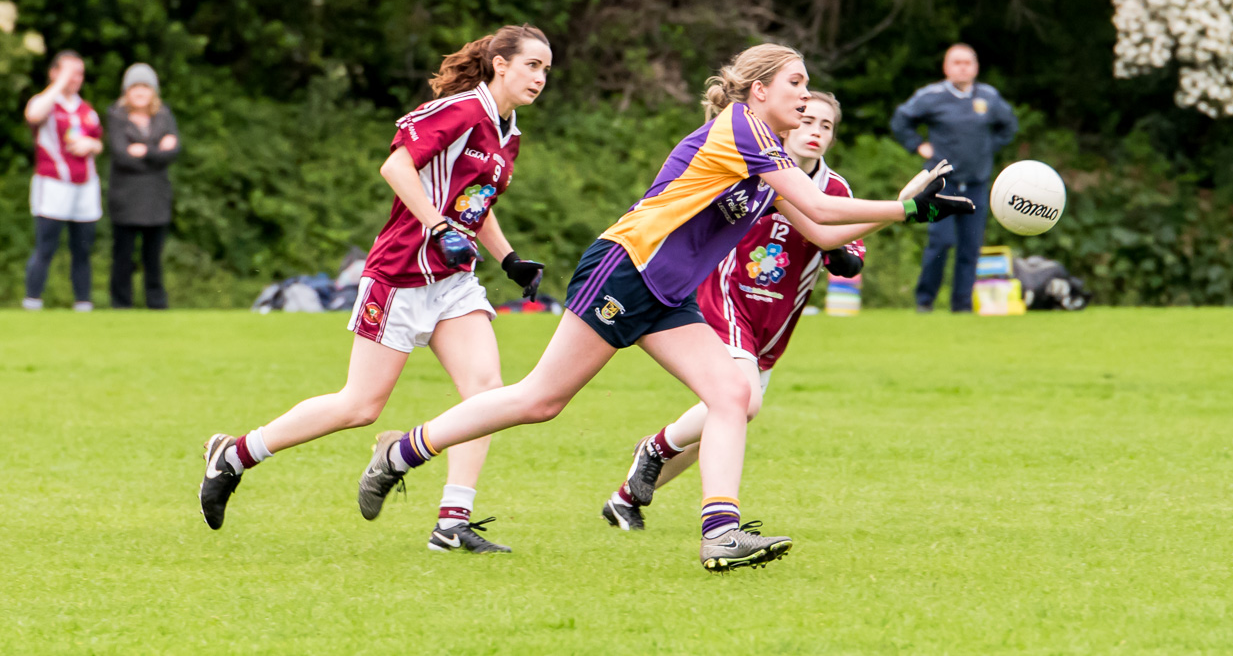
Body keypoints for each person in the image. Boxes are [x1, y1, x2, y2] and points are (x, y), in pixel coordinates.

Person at [353, 44, 975, 572]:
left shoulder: (771, 153)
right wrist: (905, 208)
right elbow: (824, 208)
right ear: (758, 91)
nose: (807, 98)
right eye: (796, 84)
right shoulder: (743, 129)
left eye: (808, 88)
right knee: (540, 400)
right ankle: (403, 450)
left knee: (732, 394)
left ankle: (721, 533)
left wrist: (907, 215)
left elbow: (820, 230)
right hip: (626, 268)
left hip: (668, 294)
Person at [200, 25, 552, 554]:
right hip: (401, 275)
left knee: (488, 396)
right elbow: (395, 165)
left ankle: (452, 523)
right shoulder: (460, 111)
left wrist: (509, 258)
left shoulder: (509, 133)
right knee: (360, 406)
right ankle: (235, 455)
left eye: (546, 70)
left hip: (454, 282)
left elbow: (476, 204)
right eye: (532, 65)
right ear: (500, 64)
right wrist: (436, 227)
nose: (540, 78)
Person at [599, 92, 951, 531]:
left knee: (724, 417)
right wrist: (902, 209)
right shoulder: (757, 164)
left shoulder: (836, 188)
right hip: (724, 301)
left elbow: (838, 247)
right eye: (808, 121)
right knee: (742, 402)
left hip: (774, 323)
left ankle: (625, 498)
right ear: (787, 124)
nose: (815, 131)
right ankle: (661, 454)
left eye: (826, 126)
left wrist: (869, 233)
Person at [890, 43, 1018, 313]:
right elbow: (901, 120)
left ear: (976, 67)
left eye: (967, 62)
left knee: (970, 247)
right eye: (956, 62)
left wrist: (988, 148)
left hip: (976, 184)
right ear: (946, 67)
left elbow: (1009, 125)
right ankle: (925, 301)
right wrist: (918, 145)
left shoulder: (988, 97)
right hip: (942, 185)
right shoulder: (932, 96)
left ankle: (961, 306)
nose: (962, 67)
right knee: (941, 241)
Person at [23, 51, 103, 312]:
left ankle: (83, 303)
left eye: (79, 73)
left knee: (82, 248)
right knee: (46, 246)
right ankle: (33, 300)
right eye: (69, 72)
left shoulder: (86, 110)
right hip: (53, 184)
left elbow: (98, 141)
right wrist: (59, 84)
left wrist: (92, 144)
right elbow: (33, 115)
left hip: (85, 186)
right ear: (54, 72)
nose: (75, 79)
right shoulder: (46, 103)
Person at [107, 63, 181, 309]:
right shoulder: (116, 116)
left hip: (156, 198)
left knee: (153, 257)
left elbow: (173, 152)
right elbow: (121, 155)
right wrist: (157, 151)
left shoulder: (164, 115)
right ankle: (121, 304)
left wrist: (144, 151)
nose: (140, 92)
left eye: (145, 87)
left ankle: (156, 303)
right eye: (135, 86)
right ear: (126, 91)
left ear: (153, 91)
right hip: (125, 198)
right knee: (123, 256)